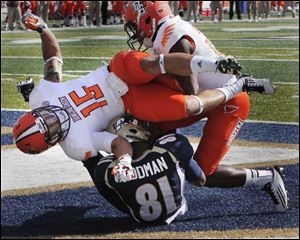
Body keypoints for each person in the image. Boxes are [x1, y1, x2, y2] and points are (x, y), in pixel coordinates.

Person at [13, 11, 272, 185]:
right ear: (51, 143)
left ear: (34, 112)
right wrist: (124, 161)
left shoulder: (42, 96)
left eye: (44, 118)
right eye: (51, 130)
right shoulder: (76, 145)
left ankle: (212, 64)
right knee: (186, 107)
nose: (53, 120)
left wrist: (43, 29)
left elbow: (52, 59)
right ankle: (239, 86)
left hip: (114, 72)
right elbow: (117, 144)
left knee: (150, 65)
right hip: (131, 100)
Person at [123, 1, 288, 213]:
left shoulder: (172, 37)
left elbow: (190, 91)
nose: (133, 32)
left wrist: (156, 74)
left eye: (133, 24)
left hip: (229, 101)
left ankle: (268, 178)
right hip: (206, 98)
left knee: (203, 174)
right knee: (150, 128)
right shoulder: (166, 31)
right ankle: (164, 187)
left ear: (148, 18)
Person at [86, 115, 206, 224]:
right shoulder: (171, 147)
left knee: (91, 161)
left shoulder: (105, 168)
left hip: (139, 218)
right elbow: (200, 180)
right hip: (178, 210)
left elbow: (110, 195)